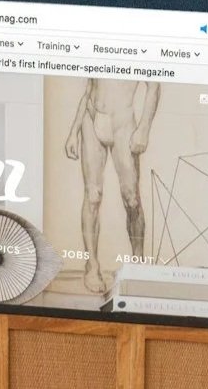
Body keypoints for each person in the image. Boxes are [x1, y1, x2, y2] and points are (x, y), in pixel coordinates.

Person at [65, 78, 161, 294]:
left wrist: (144, 128)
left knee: (132, 198)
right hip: (92, 117)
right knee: (92, 195)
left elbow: (154, 85)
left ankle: (138, 263)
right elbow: (90, 87)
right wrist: (74, 131)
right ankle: (92, 265)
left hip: (122, 122)